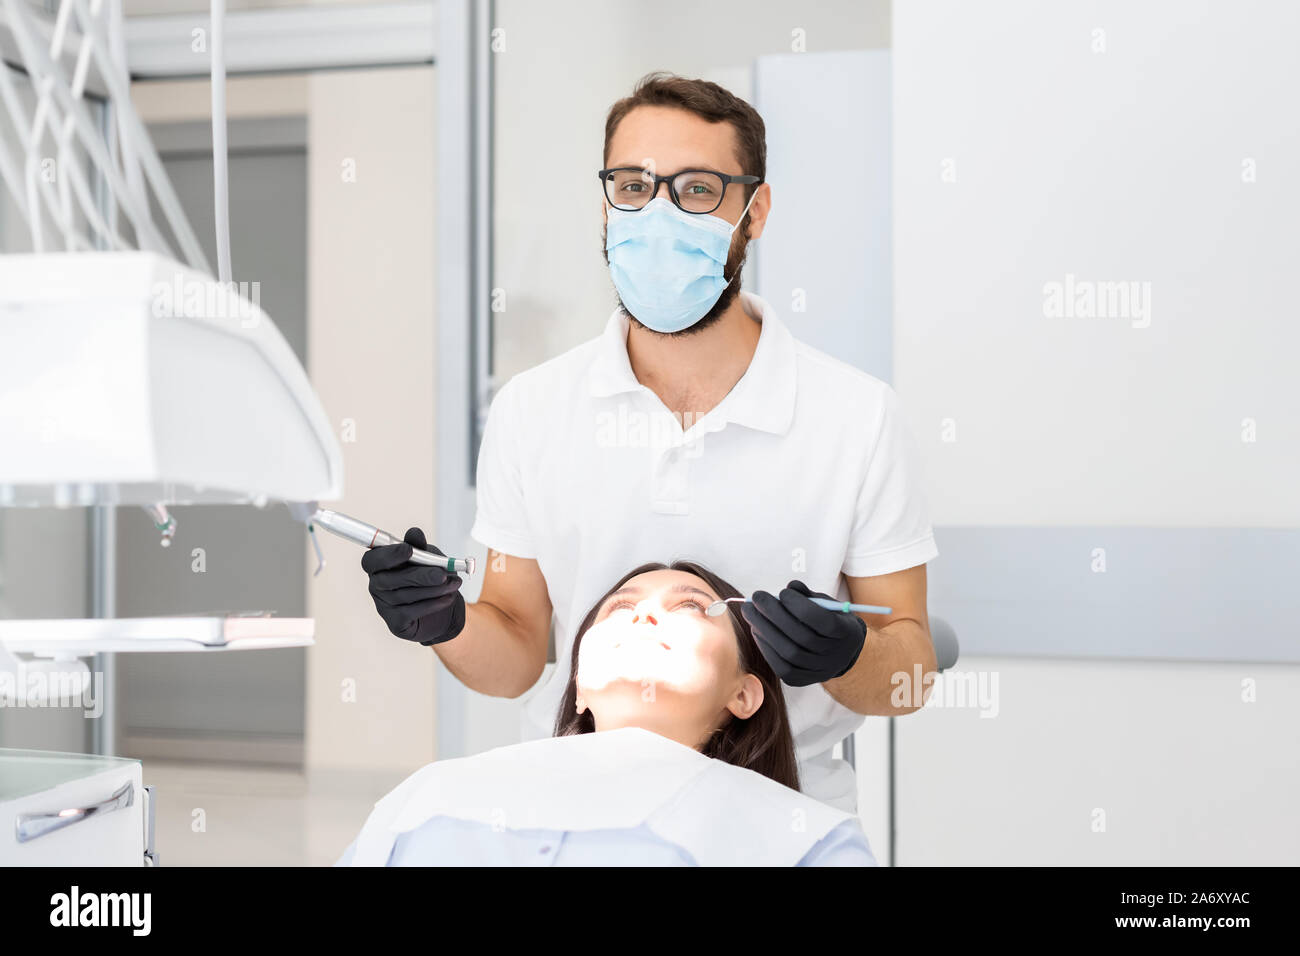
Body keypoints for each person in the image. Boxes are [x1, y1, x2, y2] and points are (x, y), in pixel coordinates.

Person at [362, 72, 938, 811]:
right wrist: (444, 624)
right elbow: (516, 656)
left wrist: (848, 657)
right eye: (633, 186)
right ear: (606, 202)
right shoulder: (533, 411)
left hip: (784, 817)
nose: (658, 215)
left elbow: (910, 669)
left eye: (697, 190)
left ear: (753, 211)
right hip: (577, 808)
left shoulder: (856, 417)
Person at [337, 562, 876, 866]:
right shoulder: (428, 799)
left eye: (688, 606)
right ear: (578, 686)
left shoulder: (805, 843)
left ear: (744, 695)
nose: (643, 614)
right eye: (620, 607)